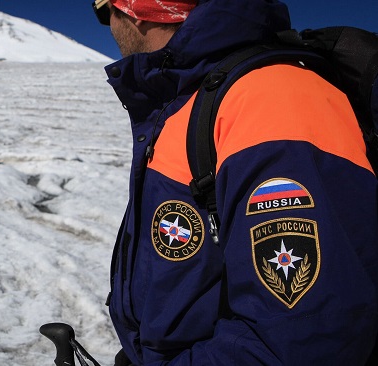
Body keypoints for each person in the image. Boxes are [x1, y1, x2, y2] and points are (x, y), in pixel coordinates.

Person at [93, 0, 378, 364]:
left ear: (138, 10)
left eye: (104, 9)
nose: (110, 25)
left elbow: (302, 340)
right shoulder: (189, 104)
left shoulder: (270, 98)